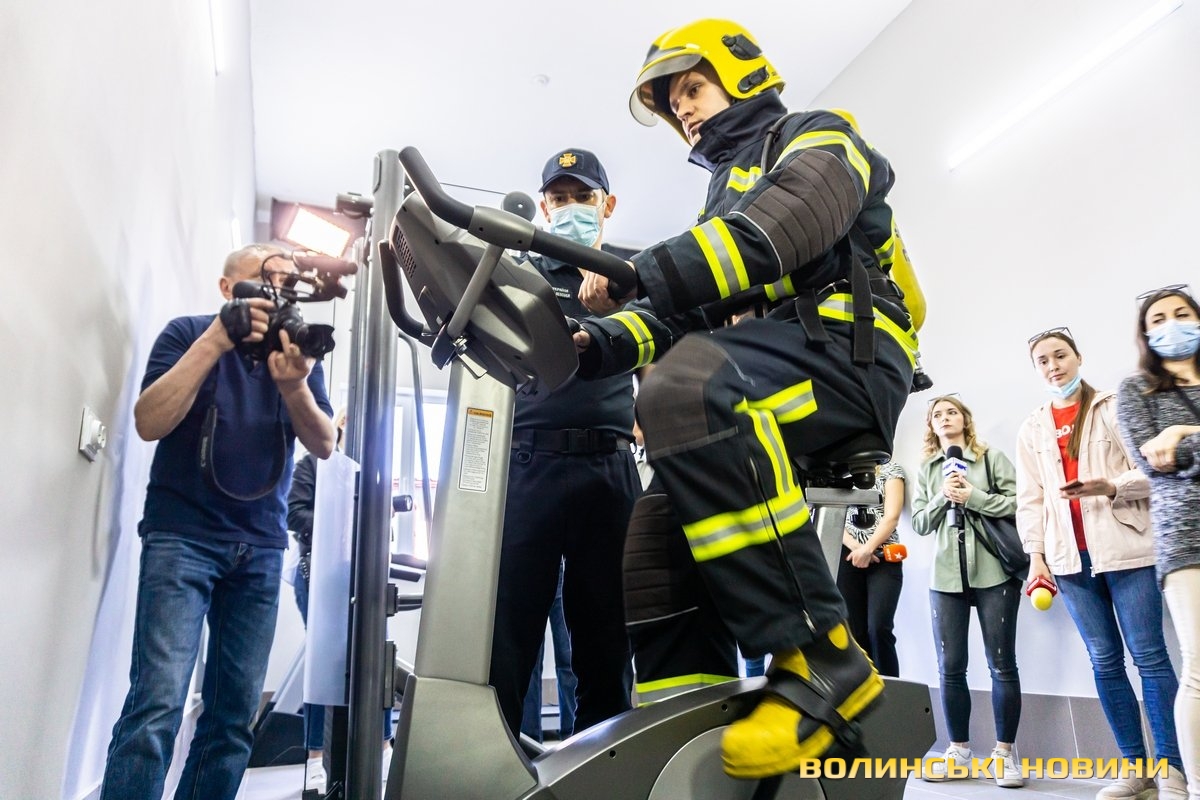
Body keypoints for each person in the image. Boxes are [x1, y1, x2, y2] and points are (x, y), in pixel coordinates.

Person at [572, 19, 921, 778]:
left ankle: (822, 656)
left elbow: (783, 226)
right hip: (773, 362)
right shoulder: (719, 198)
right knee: (657, 532)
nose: (683, 109)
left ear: (743, 73)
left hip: (849, 357)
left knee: (687, 385)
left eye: (692, 88)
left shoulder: (818, 135)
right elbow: (683, 307)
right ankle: (680, 728)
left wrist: (640, 268)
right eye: (673, 103)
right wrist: (589, 344)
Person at [100, 244, 335, 800]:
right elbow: (149, 421)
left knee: (233, 718)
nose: (277, 293)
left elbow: (325, 443)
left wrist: (294, 385)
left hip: (261, 548)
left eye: (288, 284)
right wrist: (215, 342)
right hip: (182, 536)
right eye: (264, 280)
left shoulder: (294, 354)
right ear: (228, 288)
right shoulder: (187, 333)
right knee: (157, 704)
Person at [487, 148, 640, 740]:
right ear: (544, 206)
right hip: (529, 465)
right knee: (508, 633)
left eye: (583, 196)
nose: (571, 206)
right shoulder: (516, 274)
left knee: (606, 637)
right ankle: (501, 765)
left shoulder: (633, 278)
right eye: (560, 198)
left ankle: (599, 767)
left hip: (610, 469)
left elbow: (659, 369)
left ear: (608, 204)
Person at [1017, 328, 1184, 800]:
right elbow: (1030, 501)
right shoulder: (1032, 427)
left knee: (1149, 657)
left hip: (1127, 550)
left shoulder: (1113, 407)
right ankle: (1135, 769)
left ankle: (1173, 768)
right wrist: (1036, 558)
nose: (1054, 366)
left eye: (1060, 355)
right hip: (1069, 561)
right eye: (1043, 360)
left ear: (1078, 357)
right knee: (1105, 662)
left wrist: (1111, 486)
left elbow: (1152, 470)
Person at [911, 395, 1024, 788]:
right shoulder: (928, 469)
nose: (945, 418)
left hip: (994, 573)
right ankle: (958, 751)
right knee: (950, 665)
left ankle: (1004, 755)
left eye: (952, 412)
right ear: (931, 425)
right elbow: (920, 523)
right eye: (937, 415)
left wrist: (972, 497)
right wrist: (944, 495)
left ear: (965, 419)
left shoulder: (990, 458)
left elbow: (1019, 503)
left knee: (1002, 664)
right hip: (945, 577)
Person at [1117, 285, 1200, 800]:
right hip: (1187, 539)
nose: (1172, 324)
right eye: (1159, 318)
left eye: (1182, 313)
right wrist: (1174, 445)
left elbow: (1178, 454)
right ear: (1146, 334)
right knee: (1199, 669)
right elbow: (1155, 466)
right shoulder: (1136, 390)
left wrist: (1180, 433)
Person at [287, 409, 395, 792]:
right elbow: (294, 513)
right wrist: (340, 520)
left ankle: (384, 746)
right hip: (319, 575)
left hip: (364, 575)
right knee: (323, 662)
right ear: (345, 423)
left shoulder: (374, 471)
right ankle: (316, 757)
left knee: (375, 656)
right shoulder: (314, 465)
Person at [837, 460, 906, 678]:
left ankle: (892, 691)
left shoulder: (891, 470)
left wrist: (868, 548)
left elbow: (892, 517)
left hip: (883, 556)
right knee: (854, 632)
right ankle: (865, 689)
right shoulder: (839, 472)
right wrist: (857, 548)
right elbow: (832, 515)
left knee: (879, 628)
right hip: (848, 555)